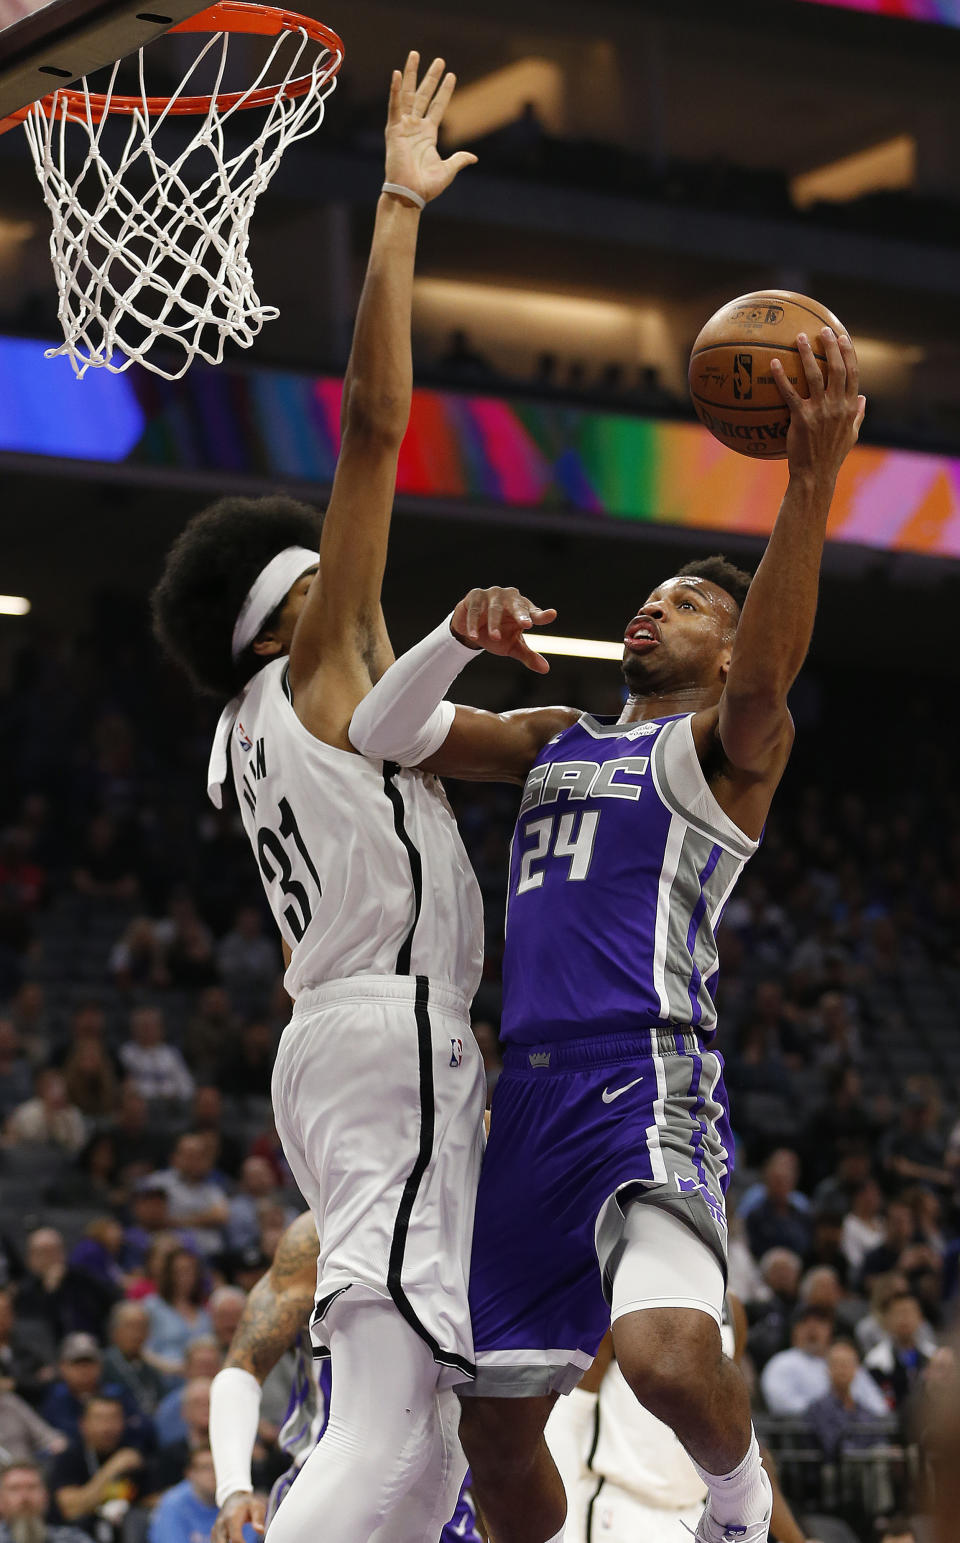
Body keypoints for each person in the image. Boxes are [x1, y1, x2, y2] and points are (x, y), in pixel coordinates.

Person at [348, 324, 866, 1543]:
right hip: (521, 1098)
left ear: (730, 646)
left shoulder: (727, 752)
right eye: (650, 596)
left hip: (642, 1071)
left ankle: (737, 1513)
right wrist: (449, 639)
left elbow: (764, 684)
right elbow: (385, 733)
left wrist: (811, 482)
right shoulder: (555, 732)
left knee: (667, 1363)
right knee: (497, 1427)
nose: (654, 609)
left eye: (687, 605)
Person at [152, 53, 481, 1543]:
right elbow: (369, 429)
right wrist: (400, 203)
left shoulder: (252, 734)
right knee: (400, 1389)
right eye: (333, 586)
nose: (360, 591)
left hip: (332, 1045)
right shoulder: (320, 659)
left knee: (423, 1419)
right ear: (293, 612)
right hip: (394, 1030)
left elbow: (458, 735)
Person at [207, 1211, 480, 1543]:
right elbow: (242, 1368)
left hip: (439, 1494)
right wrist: (233, 1487)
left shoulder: (468, 1214)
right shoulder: (319, 1234)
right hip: (326, 1488)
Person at [544, 1298, 815, 1543]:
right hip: (619, 1509)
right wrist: (565, 1531)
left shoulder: (731, 1308)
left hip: (696, 1517)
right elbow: (567, 1419)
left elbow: (739, 1439)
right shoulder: (612, 1296)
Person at [49, 1397, 148, 1543]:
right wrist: (113, 1468)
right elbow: (71, 1510)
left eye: (114, 1418)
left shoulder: (136, 1454)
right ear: (83, 1424)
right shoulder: (70, 1458)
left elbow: (155, 1502)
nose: (107, 1427)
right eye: (99, 1419)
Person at [760, 1308, 887, 1418]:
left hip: (856, 1436)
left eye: (820, 1323)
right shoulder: (782, 1363)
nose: (813, 1328)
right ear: (795, 1330)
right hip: (804, 1436)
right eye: (805, 1323)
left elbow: (879, 1407)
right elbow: (781, 1403)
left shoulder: (844, 1360)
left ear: (830, 1330)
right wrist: (827, 1414)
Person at [0, 1461, 90, 1543]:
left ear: (46, 1497)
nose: (25, 1497)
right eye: (14, 1489)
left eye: (32, 1487)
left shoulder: (73, 1539)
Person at [148, 1447, 219, 1543]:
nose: (213, 1473)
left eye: (218, 1467)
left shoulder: (235, 1500)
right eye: (206, 1468)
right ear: (190, 1473)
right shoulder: (172, 1504)